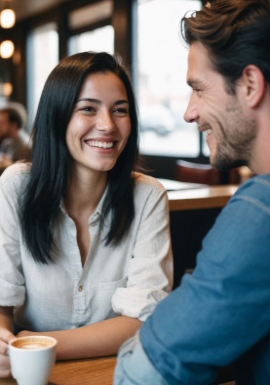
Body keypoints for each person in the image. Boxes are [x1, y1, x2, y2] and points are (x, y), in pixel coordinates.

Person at [114, 0, 270, 385]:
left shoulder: (262, 210)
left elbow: (142, 372)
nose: (189, 113)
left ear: (250, 85)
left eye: (198, 88)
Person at [0, 52, 173, 378]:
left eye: (120, 110)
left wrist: (38, 344)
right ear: (57, 116)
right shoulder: (15, 186)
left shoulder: (148, 196)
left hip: (117, 371)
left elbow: (143, 319)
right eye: (88, 109)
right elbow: (2, 298)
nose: (108, 125)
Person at [0, 103, 31, 169]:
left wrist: (10, 165)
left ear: (14, 125)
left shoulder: (26, 147)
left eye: (2, 123)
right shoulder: (7, 142)